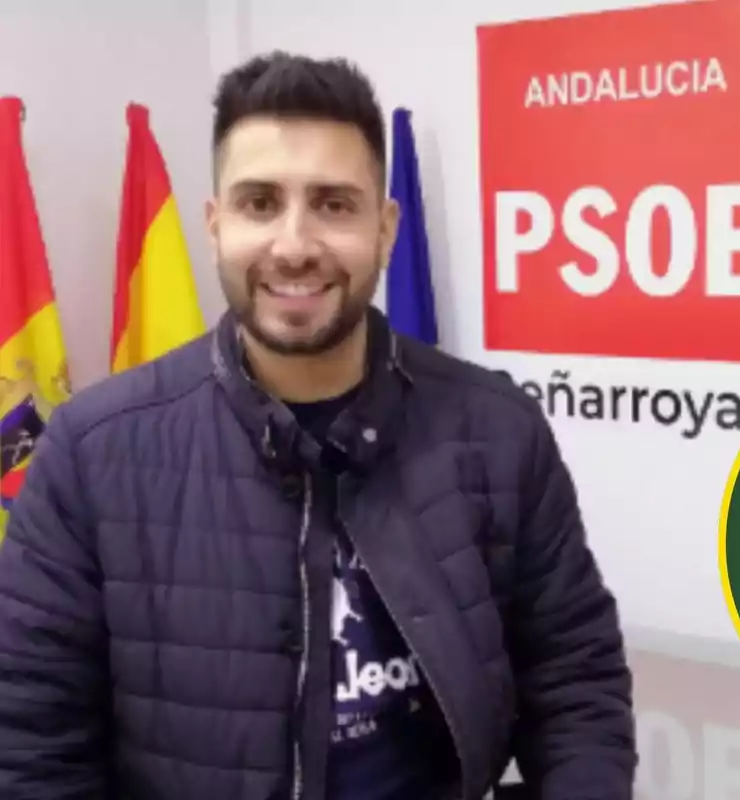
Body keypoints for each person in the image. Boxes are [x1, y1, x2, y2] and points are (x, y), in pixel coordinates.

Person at [0, 51, 636, 799]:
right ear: (214, 226)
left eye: (334, 204)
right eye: (260, 202)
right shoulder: (92, 451)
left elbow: (577, 684)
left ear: (385, 226)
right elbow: (32, 746)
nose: (294, 245)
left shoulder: (499, 430)